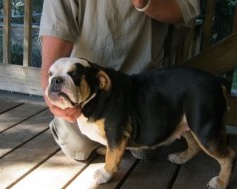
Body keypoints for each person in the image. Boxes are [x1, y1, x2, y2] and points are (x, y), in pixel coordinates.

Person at [39, 0, 200, 161]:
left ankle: (114, 140)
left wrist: (144, 3)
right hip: (85, 87)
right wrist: (51, 85)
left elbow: (186, 8)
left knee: (145, 150)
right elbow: (56, 26)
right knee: (78, 147)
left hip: (141, 83)